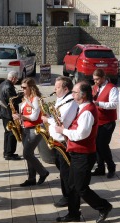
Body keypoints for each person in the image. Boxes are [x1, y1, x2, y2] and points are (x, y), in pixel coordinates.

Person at [55, 81, 113, 223]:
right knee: (72, 185)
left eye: (75, 92)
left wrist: (63, 131)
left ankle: (103, 206)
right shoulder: (82, 108)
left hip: (84, 155)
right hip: (77, 153)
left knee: (81, 187)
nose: (72, 94)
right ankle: (73, 213)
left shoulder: (87, 111)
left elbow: (82, 134)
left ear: (84, 94)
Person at [42, 76, 78, 207]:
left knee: (65, 171)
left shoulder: (70, 103)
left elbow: (62, 122)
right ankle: (72, 192)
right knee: (61, 168)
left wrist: (48, 120)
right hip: (56, 141)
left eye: (57, 88)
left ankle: (68, 196)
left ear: (66, 88)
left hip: (63, 141)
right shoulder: (61, 99)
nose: (54, 90)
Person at [14, 78, 50, 187]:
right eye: (21, 87)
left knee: (27, 153)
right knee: (29, 154)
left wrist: (20, 116)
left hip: (35, 129)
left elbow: (34, 117)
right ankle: (31, 178)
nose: (22, 89)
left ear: (31, 87)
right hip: (25, 128)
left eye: (24, 87)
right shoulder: (26, 98)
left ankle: (43, 172)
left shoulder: (36, 99)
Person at [91, 69, 118, 179]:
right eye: (94, 79)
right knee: (96, 146)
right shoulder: (95, 87)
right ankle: (100, 168)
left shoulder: (112, 88)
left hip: (107, 122)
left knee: (103, 146)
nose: (95, 81)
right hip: (97, 121)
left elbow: (114, 104)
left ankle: (111, 167)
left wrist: (98, 103)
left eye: (97, 79)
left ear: (103, 77)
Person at [0, 71, 22, 160]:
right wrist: (21, 96)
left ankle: (6, 152)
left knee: (7, 132)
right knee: (12, 133)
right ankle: (9, 153)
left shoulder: (3, 83)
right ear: (13, 78)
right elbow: (13, 100)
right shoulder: (8, 87)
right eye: (16, 79)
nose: (16, 81)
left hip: (4, 112)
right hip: (8, 113)